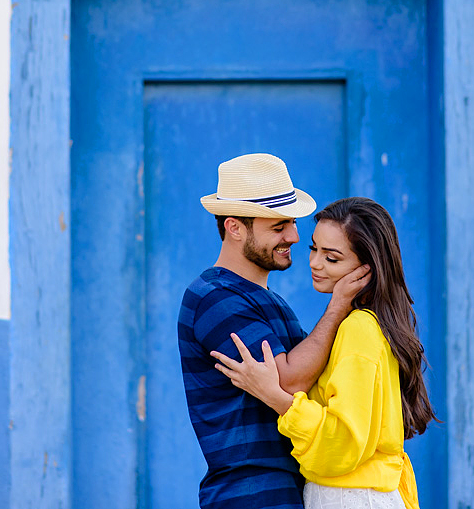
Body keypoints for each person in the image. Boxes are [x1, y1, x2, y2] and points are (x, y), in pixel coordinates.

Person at [211, 197, 436, 509]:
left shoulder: (359, 329)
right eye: (313, 249)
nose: (315, 263)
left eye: (331, 258)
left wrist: (273, 395)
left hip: (351, 497)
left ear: (365, 270)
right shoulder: (356, 324)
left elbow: (341, 442)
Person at [179, 153, 371, 509]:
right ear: (235, 227)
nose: (295, 236)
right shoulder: (215, 297)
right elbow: (288, 383)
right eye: (278, 226)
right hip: (251, 493)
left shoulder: (268, 300)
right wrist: (338, 306)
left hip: (284, 489)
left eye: (292, 223)